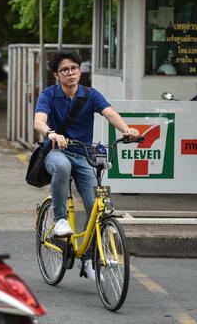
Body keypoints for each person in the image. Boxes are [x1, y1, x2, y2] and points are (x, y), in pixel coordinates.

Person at [34, 51, 138, 279]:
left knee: (96, 206)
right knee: (62, 167)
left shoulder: (90, 95)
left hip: (83, 155)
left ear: (80, 71)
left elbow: (110, 114)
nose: (70, 73)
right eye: (65, 70)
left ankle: (90, 259)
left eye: (74, 68)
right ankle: (60, 219)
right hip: (56, 151)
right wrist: (52, 133)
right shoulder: (49, 95)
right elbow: (39, 121)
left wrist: (127, 130)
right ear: (56, 75)